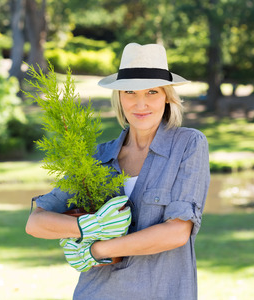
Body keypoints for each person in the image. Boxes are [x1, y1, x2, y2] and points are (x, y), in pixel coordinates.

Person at [26, 43, 210, 300]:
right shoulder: (98, 158)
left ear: (167, 96)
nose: (140, 104)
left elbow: (177, 232)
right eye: (130, 92)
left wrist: (98, 249)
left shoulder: (189, 145)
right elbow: (35, 223)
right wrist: (90, 225)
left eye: (152, 92)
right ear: (119, 97)